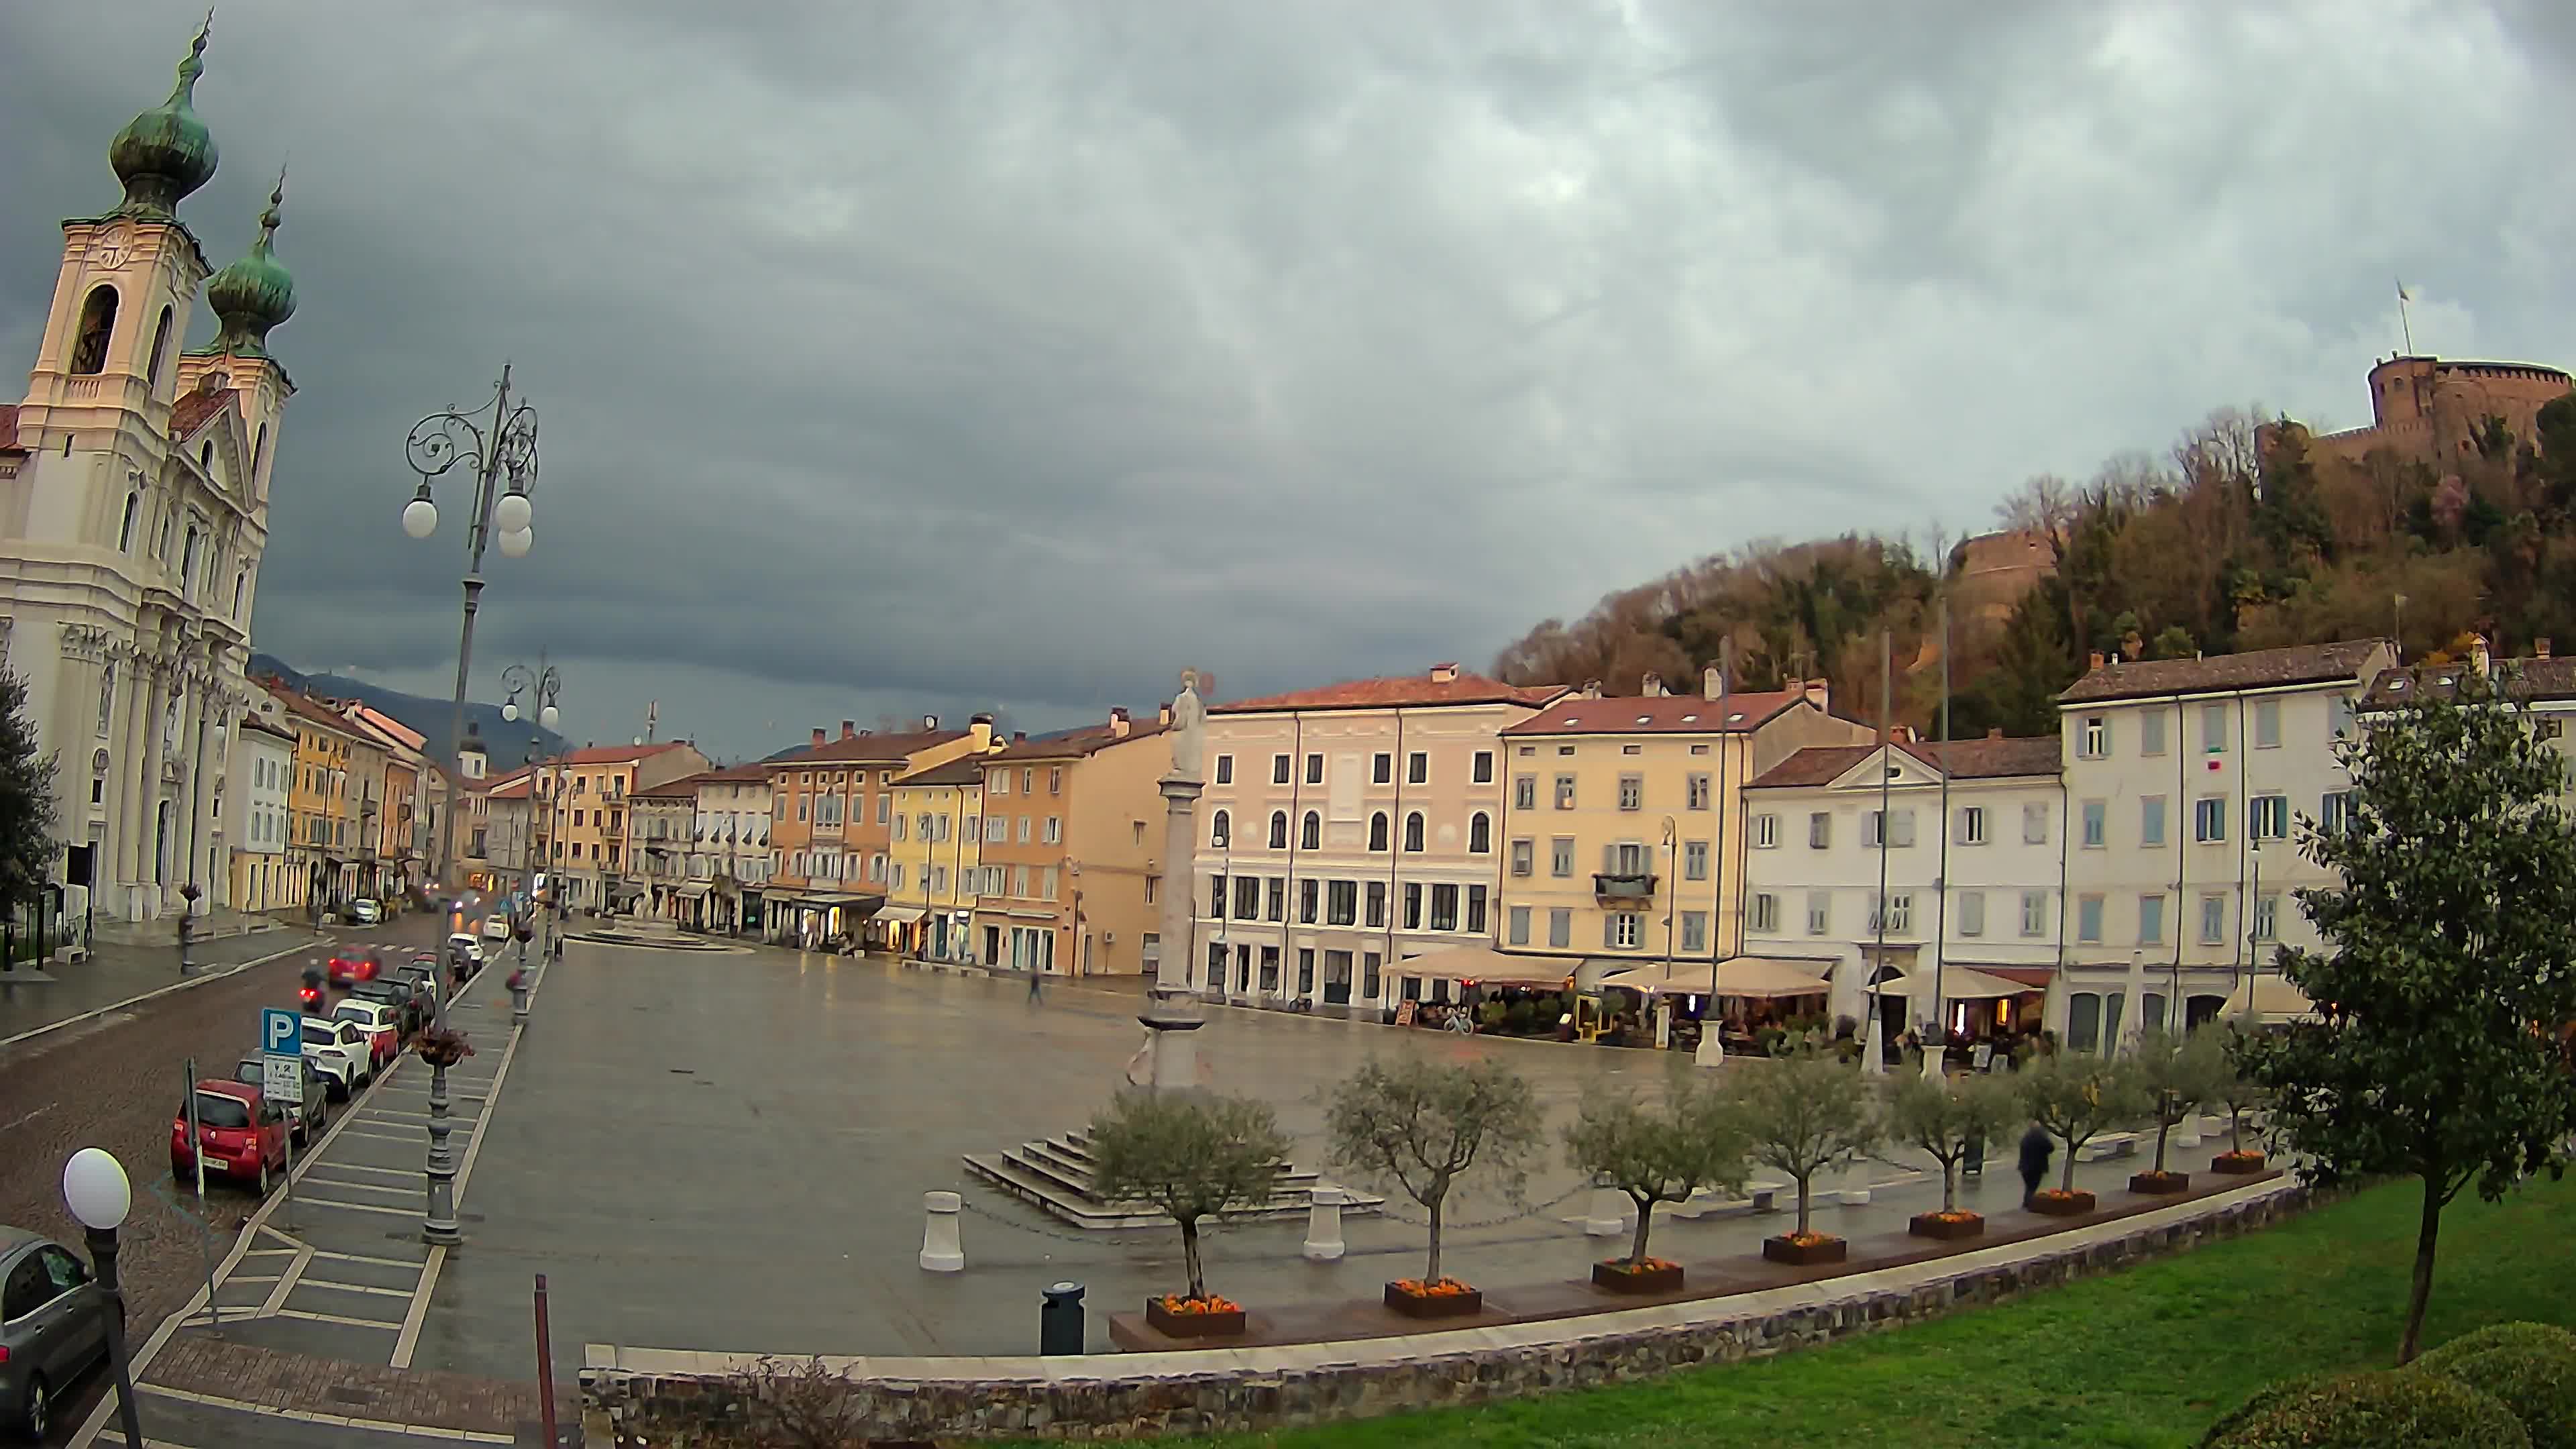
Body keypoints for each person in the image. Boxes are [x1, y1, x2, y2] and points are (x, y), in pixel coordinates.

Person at [2018, 1122, 2055, 1208]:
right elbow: (2051, 1148)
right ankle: (2028, 1206)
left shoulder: (2026, 1137)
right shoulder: (2041, 1137)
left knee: (2029, 1188)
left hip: (2024, 1167)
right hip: (2037, 1167)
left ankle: (2026, 1205)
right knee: (2032, 1188)